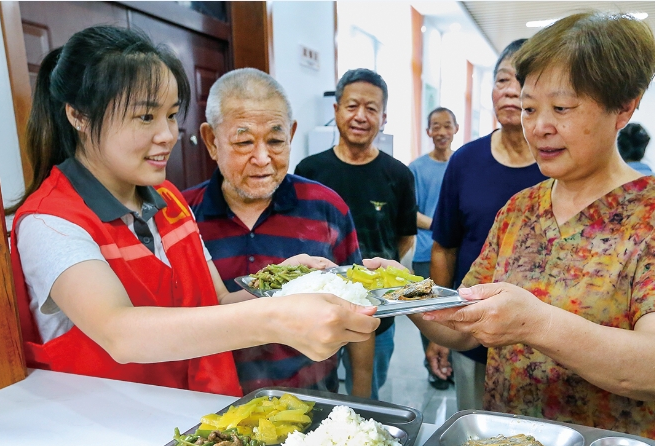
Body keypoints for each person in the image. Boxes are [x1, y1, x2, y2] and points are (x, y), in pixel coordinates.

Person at [405, 12, 655, 446]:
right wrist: (402, 295)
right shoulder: (521, 209)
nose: (539, 127)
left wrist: (537, 323)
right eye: (530, 108)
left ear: (624, 107)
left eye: (562, 108)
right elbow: (465, 327)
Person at [9, 26, 378, 395]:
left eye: (170, 115)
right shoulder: (50, 221)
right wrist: (275, 319)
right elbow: (120, 332)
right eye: (145, 117)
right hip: (110, 432)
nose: (168, 135)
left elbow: (215, 302)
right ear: (79, 116)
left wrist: (284, 281)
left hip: (191, 418)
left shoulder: (166, 199)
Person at [183, 68, 373, 397]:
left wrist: (361, 398)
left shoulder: (326, 208)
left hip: (312, 398)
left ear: (291, 134)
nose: (262, 159)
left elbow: (360, 306)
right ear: (212, 140)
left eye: (275, 140)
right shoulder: (182, 217)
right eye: (243, 142)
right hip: (209, 404)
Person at [426, 40, 548, 411]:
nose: (510, 90)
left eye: (522, 81)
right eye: (501, 79)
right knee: (476, 437)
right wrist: (439, 328)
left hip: (545, 341)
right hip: (472, 331)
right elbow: (444, 246)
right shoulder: (465, 161)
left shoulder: (557, 165)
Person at [295, 68, 417, 400]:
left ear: (384, 117)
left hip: (376, 309)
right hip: (318, 304)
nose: (360, 116)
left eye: (371, 108)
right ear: (335, 110)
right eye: (351, 106)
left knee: (367, 393)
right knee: (317, 394)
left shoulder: (399, 175)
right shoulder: (309, 171)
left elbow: (405, 237)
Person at [408, 107, 459, 390]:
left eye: (446, 126)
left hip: (457, 252)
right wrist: (443, 227)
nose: (441, 132)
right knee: (428, 314)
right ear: (428, 131)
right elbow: (410, 213)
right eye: (435, 127)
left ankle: (452, 363)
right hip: (425, 253)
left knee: (455, 311)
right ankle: (433, 366)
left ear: (456, 128)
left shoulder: (462, 164)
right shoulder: (416, 168)